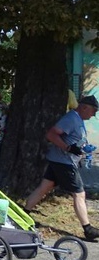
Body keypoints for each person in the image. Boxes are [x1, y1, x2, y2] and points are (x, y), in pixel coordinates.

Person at [24, 95, 99, 241]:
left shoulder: (78, 119)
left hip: (59, 160)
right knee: (79, 193)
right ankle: (88, 229)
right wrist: (68, 148)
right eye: (93, 111)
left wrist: (82, 149)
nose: (94, 114)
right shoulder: (71, 119)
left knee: (44, 188)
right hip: (65, 162)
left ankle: (24, 214)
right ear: (84, 107)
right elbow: (51, 134)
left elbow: (72, 139)